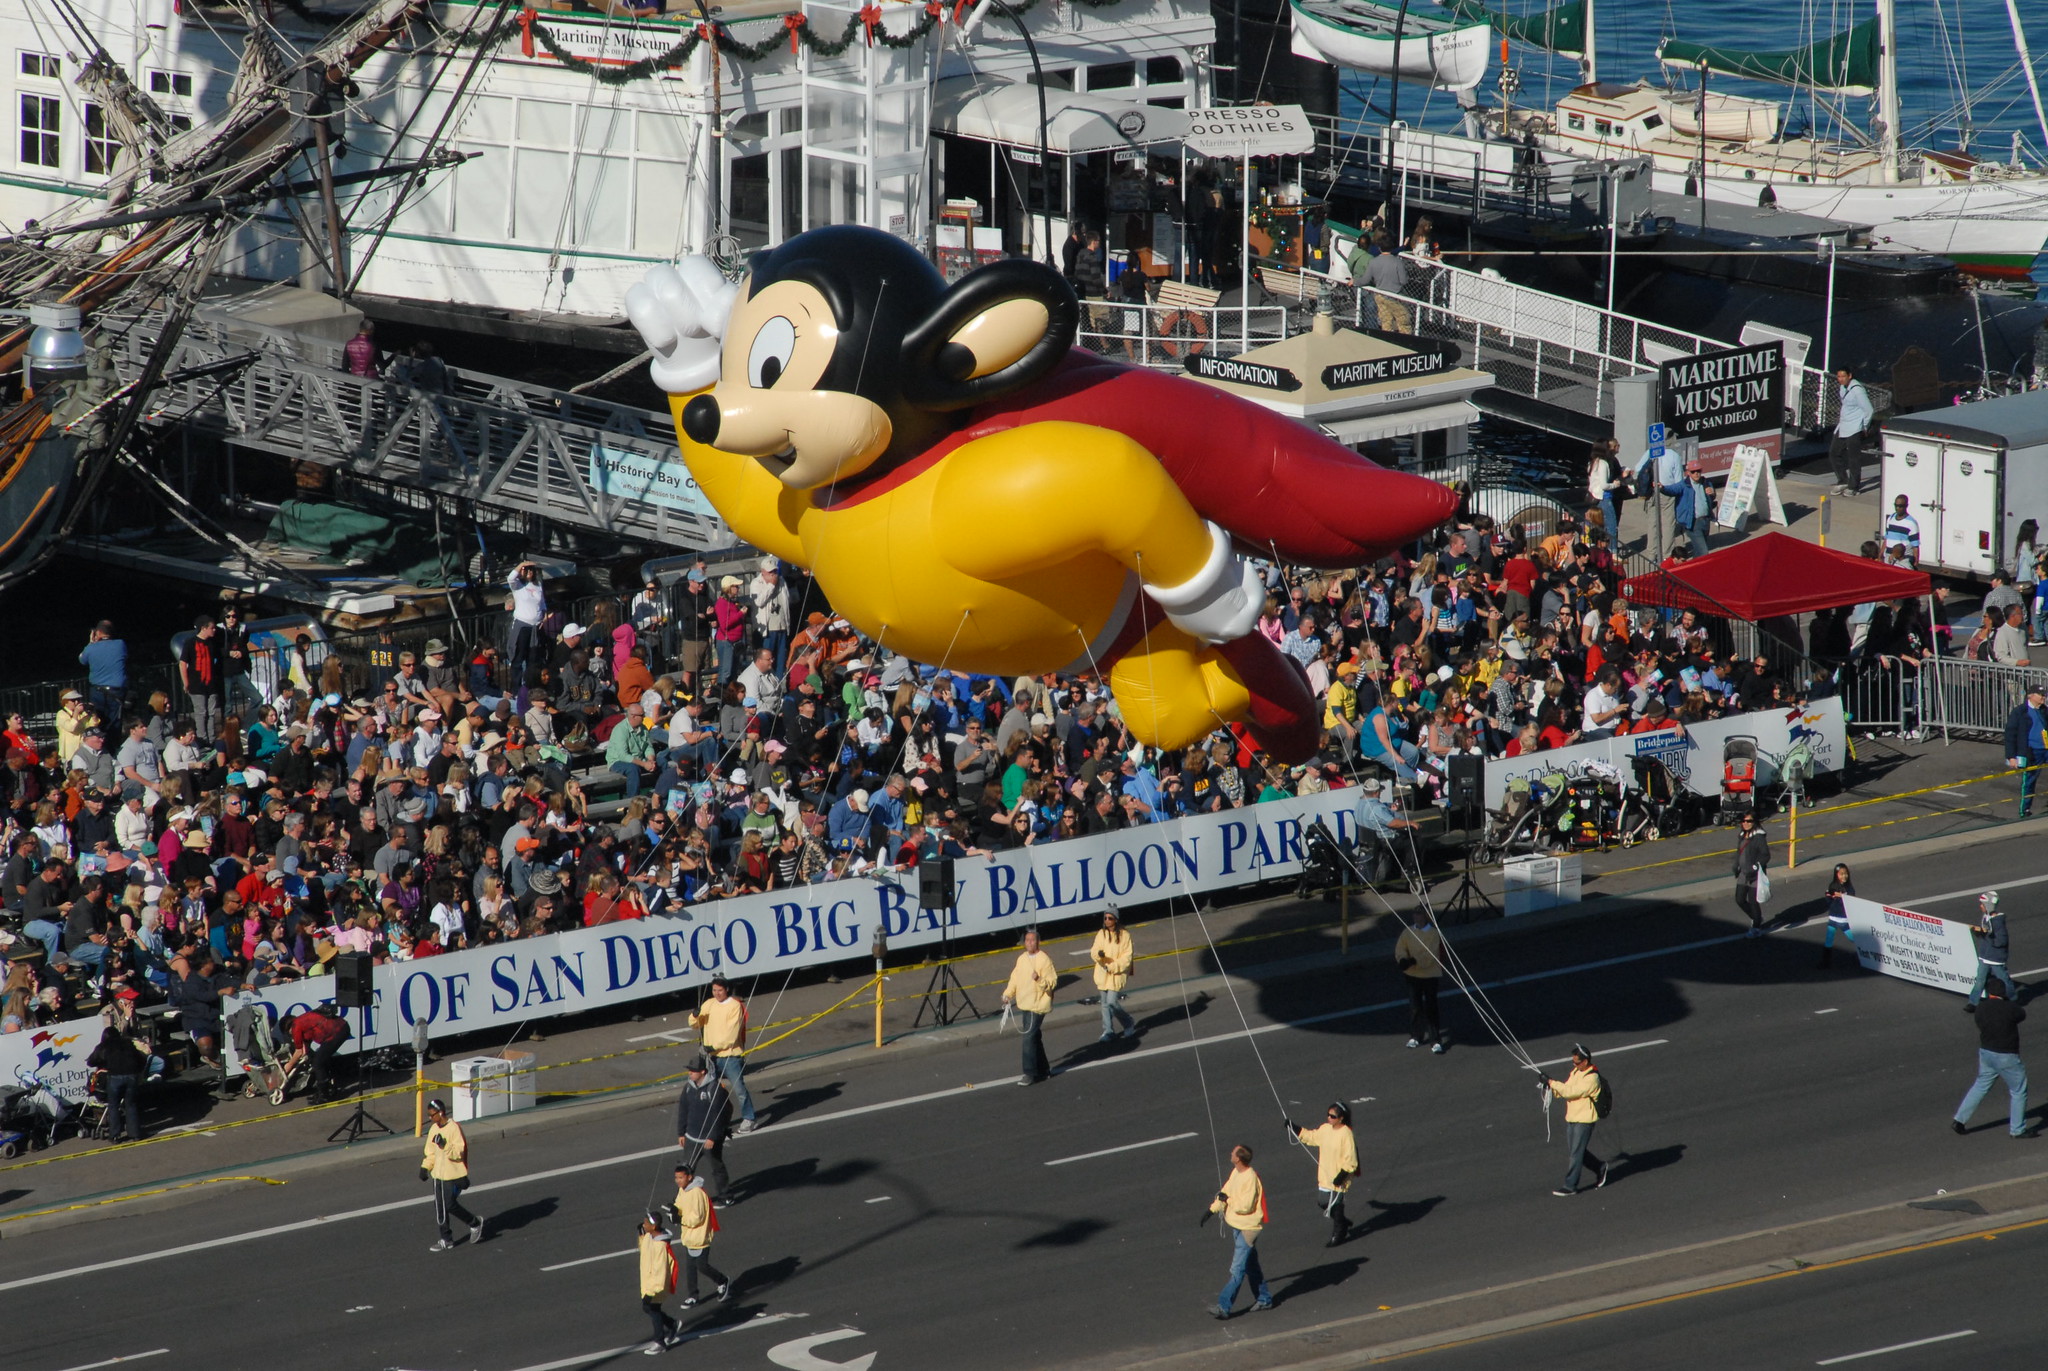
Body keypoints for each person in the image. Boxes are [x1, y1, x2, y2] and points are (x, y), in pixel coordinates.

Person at [1202, 1143, 1273, 1318]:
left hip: (1248, 1228)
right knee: (1251, 1266)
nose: (1230, 1154)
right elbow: (1224, 1193)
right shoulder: (1236, 1173)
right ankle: (1264, 1299)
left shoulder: (1250, 1178)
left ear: (1239, 1158)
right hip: (1237, 1225)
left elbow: (1245, 1206)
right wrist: (1213, 1209)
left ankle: (1223, 1306)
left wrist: (1229, 1200)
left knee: (1237, 1270)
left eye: (1233, 1152)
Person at [1953, 981, 2030, 1138]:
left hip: (1986, 1052)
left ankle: (1960, 1119)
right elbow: (2021, 1014)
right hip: (2006, 1055)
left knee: (1981, 1085)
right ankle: (2017, 1129)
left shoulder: (1981, 1008)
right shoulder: (2009, 1009)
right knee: (2018, 1091)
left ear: (1989, 993)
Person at [690, 975, 755, 1134]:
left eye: (720, 990)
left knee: (739, 1089)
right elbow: (695, 1024)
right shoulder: (709, 1003)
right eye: (714, 990)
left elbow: (731, 1035)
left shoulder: (734, 1006)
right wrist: (694, 1015)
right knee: (710, 1092)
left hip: (730, 1056)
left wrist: (714, 1046)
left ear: (727, 990)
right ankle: (718, 1120)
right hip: (711, 1057)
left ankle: (749, 1118)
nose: (716, 993)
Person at [1289, 1103, 1358, 1246]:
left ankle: (1338, 1233)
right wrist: (1294, 1127)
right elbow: (1312, 1137)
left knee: (1336, 1205)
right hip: (1325, 1176)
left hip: (1339, 1178)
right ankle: (1342, 1222)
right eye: (1328, 1114)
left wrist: (1342, 1175)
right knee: (1323, 1202)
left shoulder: (1346, 1134)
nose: (1329, 1118)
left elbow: (1350, 1158)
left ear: (1341, 1118)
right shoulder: (1325, 1129)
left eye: (1333, 1116)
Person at [422, 1096, 485, 1250]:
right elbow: (431, 1153)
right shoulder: (433, 1129)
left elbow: (459, 1153)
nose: (430, 1118)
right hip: (438, 1176)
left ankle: (474, 1223)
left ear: (441, 1113)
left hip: (452, 1175)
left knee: (450, 1205)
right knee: (440, 1209)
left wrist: (444, 1145)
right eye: (429, 1115)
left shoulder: (453, 1128)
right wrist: (425, 1167)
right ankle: (446, 1239)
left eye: (432, 1114)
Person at [1546, 1045, 1608, 1195]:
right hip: (1573, 1118)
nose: (1574, 1065)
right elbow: (1565, 1090)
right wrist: (1550, 1086)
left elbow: (1572, 1092)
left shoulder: (1592, 1078)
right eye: (1573, 1062)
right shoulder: (1576, 1072)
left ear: (1585, 1061)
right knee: (1577, 1151)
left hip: (1585, 1120)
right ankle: (1600, 1167)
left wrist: (1552, 1082)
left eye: (1577, 1062)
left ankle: (1570, 1186)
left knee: (1575, 1153)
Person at [1001, 925, 1057, 1086]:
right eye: (1027, 940)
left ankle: (1029, 1073)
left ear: (1038, 942)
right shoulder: (1022, 959)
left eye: (1033, 940)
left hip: (1038, 1005)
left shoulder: (1044, 959)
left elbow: (1052, 982)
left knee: (1028, 1038)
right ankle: (1044, 1069)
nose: (1030, 943)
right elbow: (1015, 980)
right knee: (1034, 1037)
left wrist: (1039, 979)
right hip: (1025, 1003)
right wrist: (1008, 994)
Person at [672, 1159, 732, 1306]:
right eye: (676, 1178)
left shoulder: (697, 1193)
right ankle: (693, 1295)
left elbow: (696, 1218)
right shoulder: (683, 1190)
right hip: (689, 1236)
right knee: (690, 1267)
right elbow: (679, 1205)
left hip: (700, 1236)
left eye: (681, 1177)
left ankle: (722, 1280)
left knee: (702, 1265)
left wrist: (679, 1219)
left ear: (689, 1177)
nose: (678, 1181)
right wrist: (673, 1210)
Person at [675, 1057, 735, 1204]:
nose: (690, 1073)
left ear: (703, 1071)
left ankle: (725, 1196)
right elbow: (683, 1109)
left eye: (693, 1071)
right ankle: (685, 1198)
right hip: (692, 1137)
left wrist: (713, 1137)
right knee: (686, 1170)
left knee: (717, 1168)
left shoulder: (714, 1089)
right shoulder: (688, 1087)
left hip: (709, 1140)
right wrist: (681, 1132)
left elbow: (720, 1115)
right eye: (689, 1070)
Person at [1396, 911, 1447, 1052]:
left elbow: (1430, 955)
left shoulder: (1434, 934)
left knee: (1431, 1007)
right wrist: (1402, 959)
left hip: (1430, 975)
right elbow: (1400, 948)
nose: (1416, 917)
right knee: (1415, 1007)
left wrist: (1413, 961)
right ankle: (1416, 1036)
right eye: (1415, 914)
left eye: (1419, 915)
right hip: (1412, 975)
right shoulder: (1408, 932)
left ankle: (1435, 1040)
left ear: (1426, 917)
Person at [86, 1024, 147, 1143]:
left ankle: (115, 1135)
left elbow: (91, 1062)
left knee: (113, 1105)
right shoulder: (128, 1043)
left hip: (115, 1076)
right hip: (131, 1075)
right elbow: (141, 1059)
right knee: (131, 1104)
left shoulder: (103, 1046)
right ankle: (135, 1134)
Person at [638, 1207, 684, 1354]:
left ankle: (660, 1342)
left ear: (654, 1226)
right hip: (648, 1282)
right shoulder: (649, 1237)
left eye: (646, 1223)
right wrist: (641, 1236)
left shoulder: (661, 1246)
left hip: (656, 1285)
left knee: (653, 1309)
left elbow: (661, 1270)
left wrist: (653, 1290)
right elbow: (643, 1250)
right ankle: (672, 1324)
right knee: (648, 1308)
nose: (643, 1225)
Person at [1964, 891, 2017, 1010]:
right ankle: (1973, 1002)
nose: (1980, 906)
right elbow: (1986, 935)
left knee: (2003, 980)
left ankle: (2012, 998)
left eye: (1982, 904)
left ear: (1988, 906)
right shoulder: (1986, 917)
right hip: (1985, 956)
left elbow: (2001, 942)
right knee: (1980, 980)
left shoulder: (1998, 923)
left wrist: (1986, 936)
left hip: (1995, 958)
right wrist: (1979, 933)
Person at [1091, 908, 1137, 1042]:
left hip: (1116, 974)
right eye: (1105, 918)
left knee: (1111, 1002)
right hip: (1102, 973)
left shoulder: (1124, 935)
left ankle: (1128, 1022)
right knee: (1104, 1004)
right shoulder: (1101, 934)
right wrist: (1099, 956)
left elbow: (1126, 958)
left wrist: (1112, 966)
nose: (1107, 921)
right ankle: (1108, 1030)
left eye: (1110, 918)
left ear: (1116, 920)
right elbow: (1094, 950)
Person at [2004, 684, 2048, 819]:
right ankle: (2025, 809)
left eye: (2044, 695)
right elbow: (2010, 735)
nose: (2043, 697)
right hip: (2031, 751)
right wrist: (2011, 756)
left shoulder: (2044, 710)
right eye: (2040, 695)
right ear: (2030, 695)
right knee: (2029, 780)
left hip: (2045, 749)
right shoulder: (2020, 712)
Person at [1830, 365, 1874, 495]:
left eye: (1843, 376)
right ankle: (1842, 480)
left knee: (1853, 458)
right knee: (1834, 452)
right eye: (1839, 376)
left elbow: (1869, 410)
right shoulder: (1842, 388)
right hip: (1843, 425)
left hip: (1855, 427)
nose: (1841, 379)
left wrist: (1864, 426)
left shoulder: (1857, 390)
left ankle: (1854, 487)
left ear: (1850, 376)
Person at [506, 560, 547, 687]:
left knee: (533, 658)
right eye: (527, 570)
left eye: (531, 570)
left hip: (536, 627)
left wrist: (544, 615)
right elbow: (510, 578)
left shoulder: (538, 585)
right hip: (522, 625)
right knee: (518, 658)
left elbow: (542, 603)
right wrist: (520, 565)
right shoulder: (518, 585)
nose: (529, 572)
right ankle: (516, 688)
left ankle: (531, 685)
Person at [1733, 812, 1770, 937]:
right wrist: (1736, 865)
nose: (1745, 823)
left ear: (1754, 822)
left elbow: (1765, 854)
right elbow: (1739, 852)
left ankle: (1756, 927)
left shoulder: (1758, 837)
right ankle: (1756, 918)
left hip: (1755, 875)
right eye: (1743, 821)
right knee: (1739, 899)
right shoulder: (1742, 835)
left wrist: (1756, 865)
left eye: (1748, 821)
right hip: (1743, 873)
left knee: (1753, 901)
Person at [1819, 863, 1857, 969]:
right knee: (1829, 940)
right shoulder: (1833, 886)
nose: (1844, 876)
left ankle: (1865, 953)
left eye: (1846, 874)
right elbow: (1828, 898)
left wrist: (1842, 896)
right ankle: (1825, 962)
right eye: (1841, 874)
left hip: (1844, 919)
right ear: (1836, 875)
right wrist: (1829, 897)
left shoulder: (1849, 888)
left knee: (1853, 938)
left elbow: (1852, 898)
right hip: (1833, 918)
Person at [1881, 493, 1921, 566]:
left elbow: (1915, 545)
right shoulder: (1890, 518)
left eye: (1900, 506)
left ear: (1906, 506)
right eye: (1896, 505)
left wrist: (1915, 562)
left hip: (1902, 559)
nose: (1897, 508)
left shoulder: (1911, 523)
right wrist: (1880, 555)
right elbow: (1886, 538)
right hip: (1888, 557)